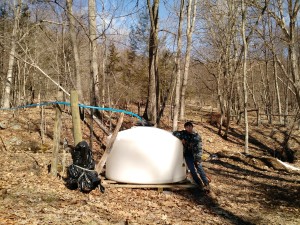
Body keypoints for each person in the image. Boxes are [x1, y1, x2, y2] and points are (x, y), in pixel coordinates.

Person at [173, 121, 210, 190]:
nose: (189, 128)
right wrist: (181, 139)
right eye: (187, 127)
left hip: (195, 155)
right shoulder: (183, 133)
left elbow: (199, 148)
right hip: (188, 155)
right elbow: (174, 133)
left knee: (200, 169)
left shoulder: (196, 136)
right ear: (185, 128)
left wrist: (198, 158)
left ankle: (206, 184)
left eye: (190, 126)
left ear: (192, 127)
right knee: (192, 170)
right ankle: (199, 184)